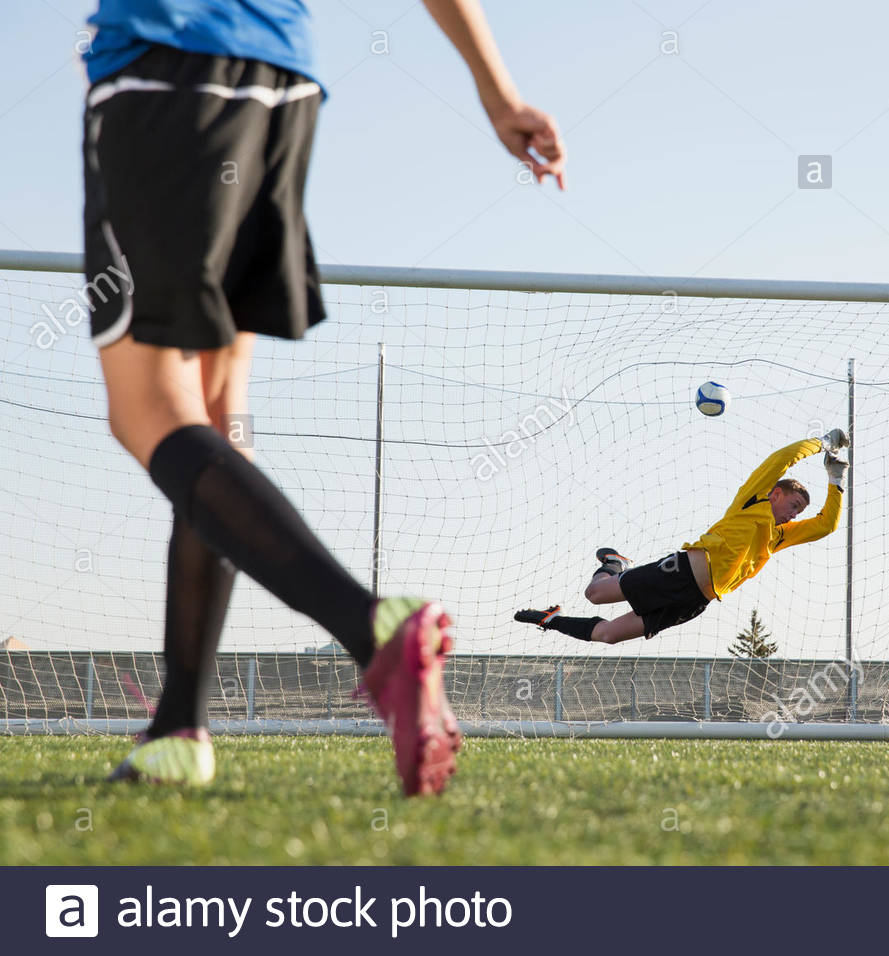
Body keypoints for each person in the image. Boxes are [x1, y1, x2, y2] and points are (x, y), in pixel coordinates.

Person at [81, 0, 566, 795]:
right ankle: (179, 730)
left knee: (149, 410)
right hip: (283, 86)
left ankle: (372, 628)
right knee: (217, 410)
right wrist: (496, 91)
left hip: (160, 71)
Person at [515, 431, 849, 644]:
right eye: (793, 505)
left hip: (694, 601)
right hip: (683, 571)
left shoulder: (778, 537)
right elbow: (781, 460)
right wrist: (821, 444)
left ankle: (551, 619)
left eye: (799, 512)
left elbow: (825, 525)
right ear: (776, 493)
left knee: (608, 635)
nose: (794, 515)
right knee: (595, 594)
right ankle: (615, 564)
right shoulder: (754, 500)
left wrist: (835, 480)